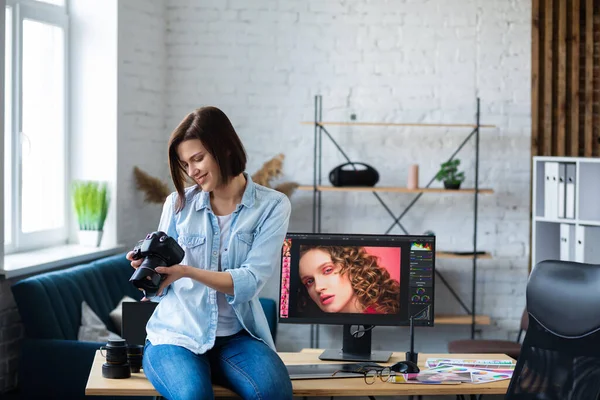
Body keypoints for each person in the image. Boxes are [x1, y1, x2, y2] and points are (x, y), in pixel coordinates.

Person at [126, 106, 293, 400]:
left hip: (237, 338)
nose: (192, 172)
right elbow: (160, 289)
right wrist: (151, 270)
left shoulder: (272, 206)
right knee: (193, 395)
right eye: (185, 164)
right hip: (176, 336)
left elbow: (251, 280)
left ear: (225, 148)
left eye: (198, 158)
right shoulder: (177, 204)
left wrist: (187, 271)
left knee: (273, 391)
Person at [297, 245, 400, 314]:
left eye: (328, 270)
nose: (318, 288)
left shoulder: (385, 316)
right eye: (309, 281)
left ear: (351, 266)